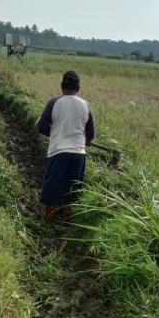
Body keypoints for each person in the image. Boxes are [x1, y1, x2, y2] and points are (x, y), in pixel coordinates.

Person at [37, 70, 95, 222]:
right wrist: (84, 141)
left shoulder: (54, 102)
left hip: (59, 152)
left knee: (53, 186)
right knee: (72, 189)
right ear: (78, 88)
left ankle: (49, 221)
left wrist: (56, 133)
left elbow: (42, 126)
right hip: (79, 154)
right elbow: (90, 135)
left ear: (62, 86)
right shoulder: (86, 105)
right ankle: (66, 221)